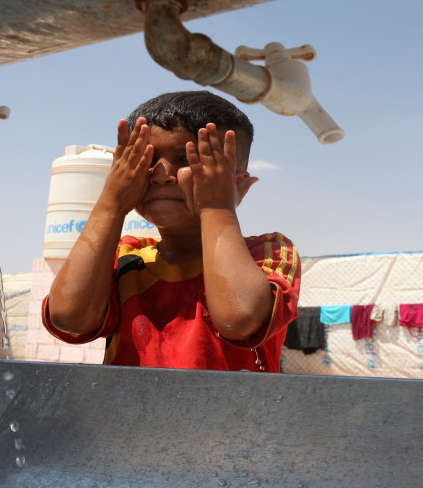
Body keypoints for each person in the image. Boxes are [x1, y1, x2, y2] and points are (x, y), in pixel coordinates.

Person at [43, 91, 300, 371]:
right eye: (146, 160)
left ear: (239, 186)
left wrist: (216, 207)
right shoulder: (127, 259)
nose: (161, 174)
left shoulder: (268, 252)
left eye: (189, 159)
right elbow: (69, 318)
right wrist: (110, 204)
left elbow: (238, 319)